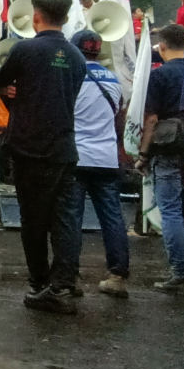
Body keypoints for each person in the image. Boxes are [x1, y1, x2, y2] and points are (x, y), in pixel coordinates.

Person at [0, 0, 87, 315]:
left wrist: (10, 95)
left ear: (36, 16)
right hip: (64, 147)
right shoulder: (77, 57)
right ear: (65, 19)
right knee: (65, 218)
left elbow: (0, 81)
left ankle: (39, 282)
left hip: (28, 147)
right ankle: (64, 281)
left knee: (33, 219)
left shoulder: (25, 50)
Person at [67, 30, 130, 299]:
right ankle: (117, 275)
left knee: (71, 218)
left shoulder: (71, 78)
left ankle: (69, 277)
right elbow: (119, 118)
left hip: (77, 157)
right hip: (106, 159)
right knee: (112, 217)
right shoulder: (114, 79)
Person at [143, 22, 184, 297]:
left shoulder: (159, 76)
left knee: (169, 211)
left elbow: (152, 118)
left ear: (163, 46)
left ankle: (180, 274)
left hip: (167, 148)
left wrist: (143, 153)